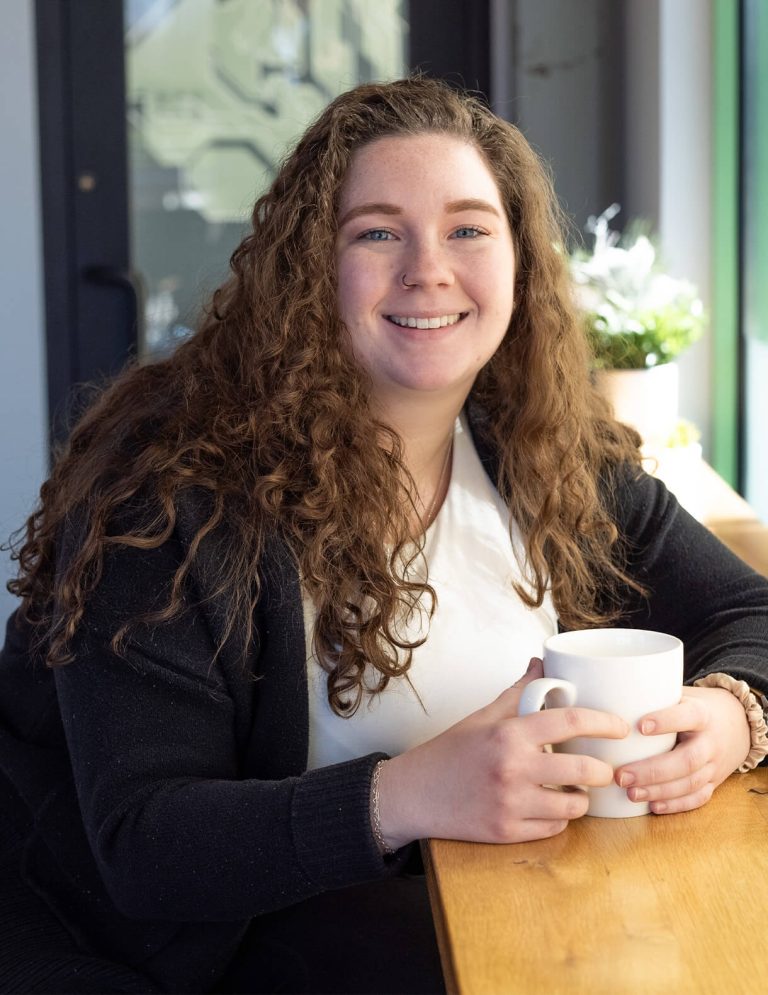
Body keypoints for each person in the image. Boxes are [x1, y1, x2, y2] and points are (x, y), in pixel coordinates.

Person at [1, 76, 767, 995]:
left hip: (470, 903)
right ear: (309, 266)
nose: (428, 269)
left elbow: (752, 608)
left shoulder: (543, 451)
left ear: (519, 260)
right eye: (376, 232)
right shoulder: (164, 494)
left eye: (469, 228)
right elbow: (146, 843)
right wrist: (405, 793)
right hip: (196, 958)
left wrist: (732, 714)